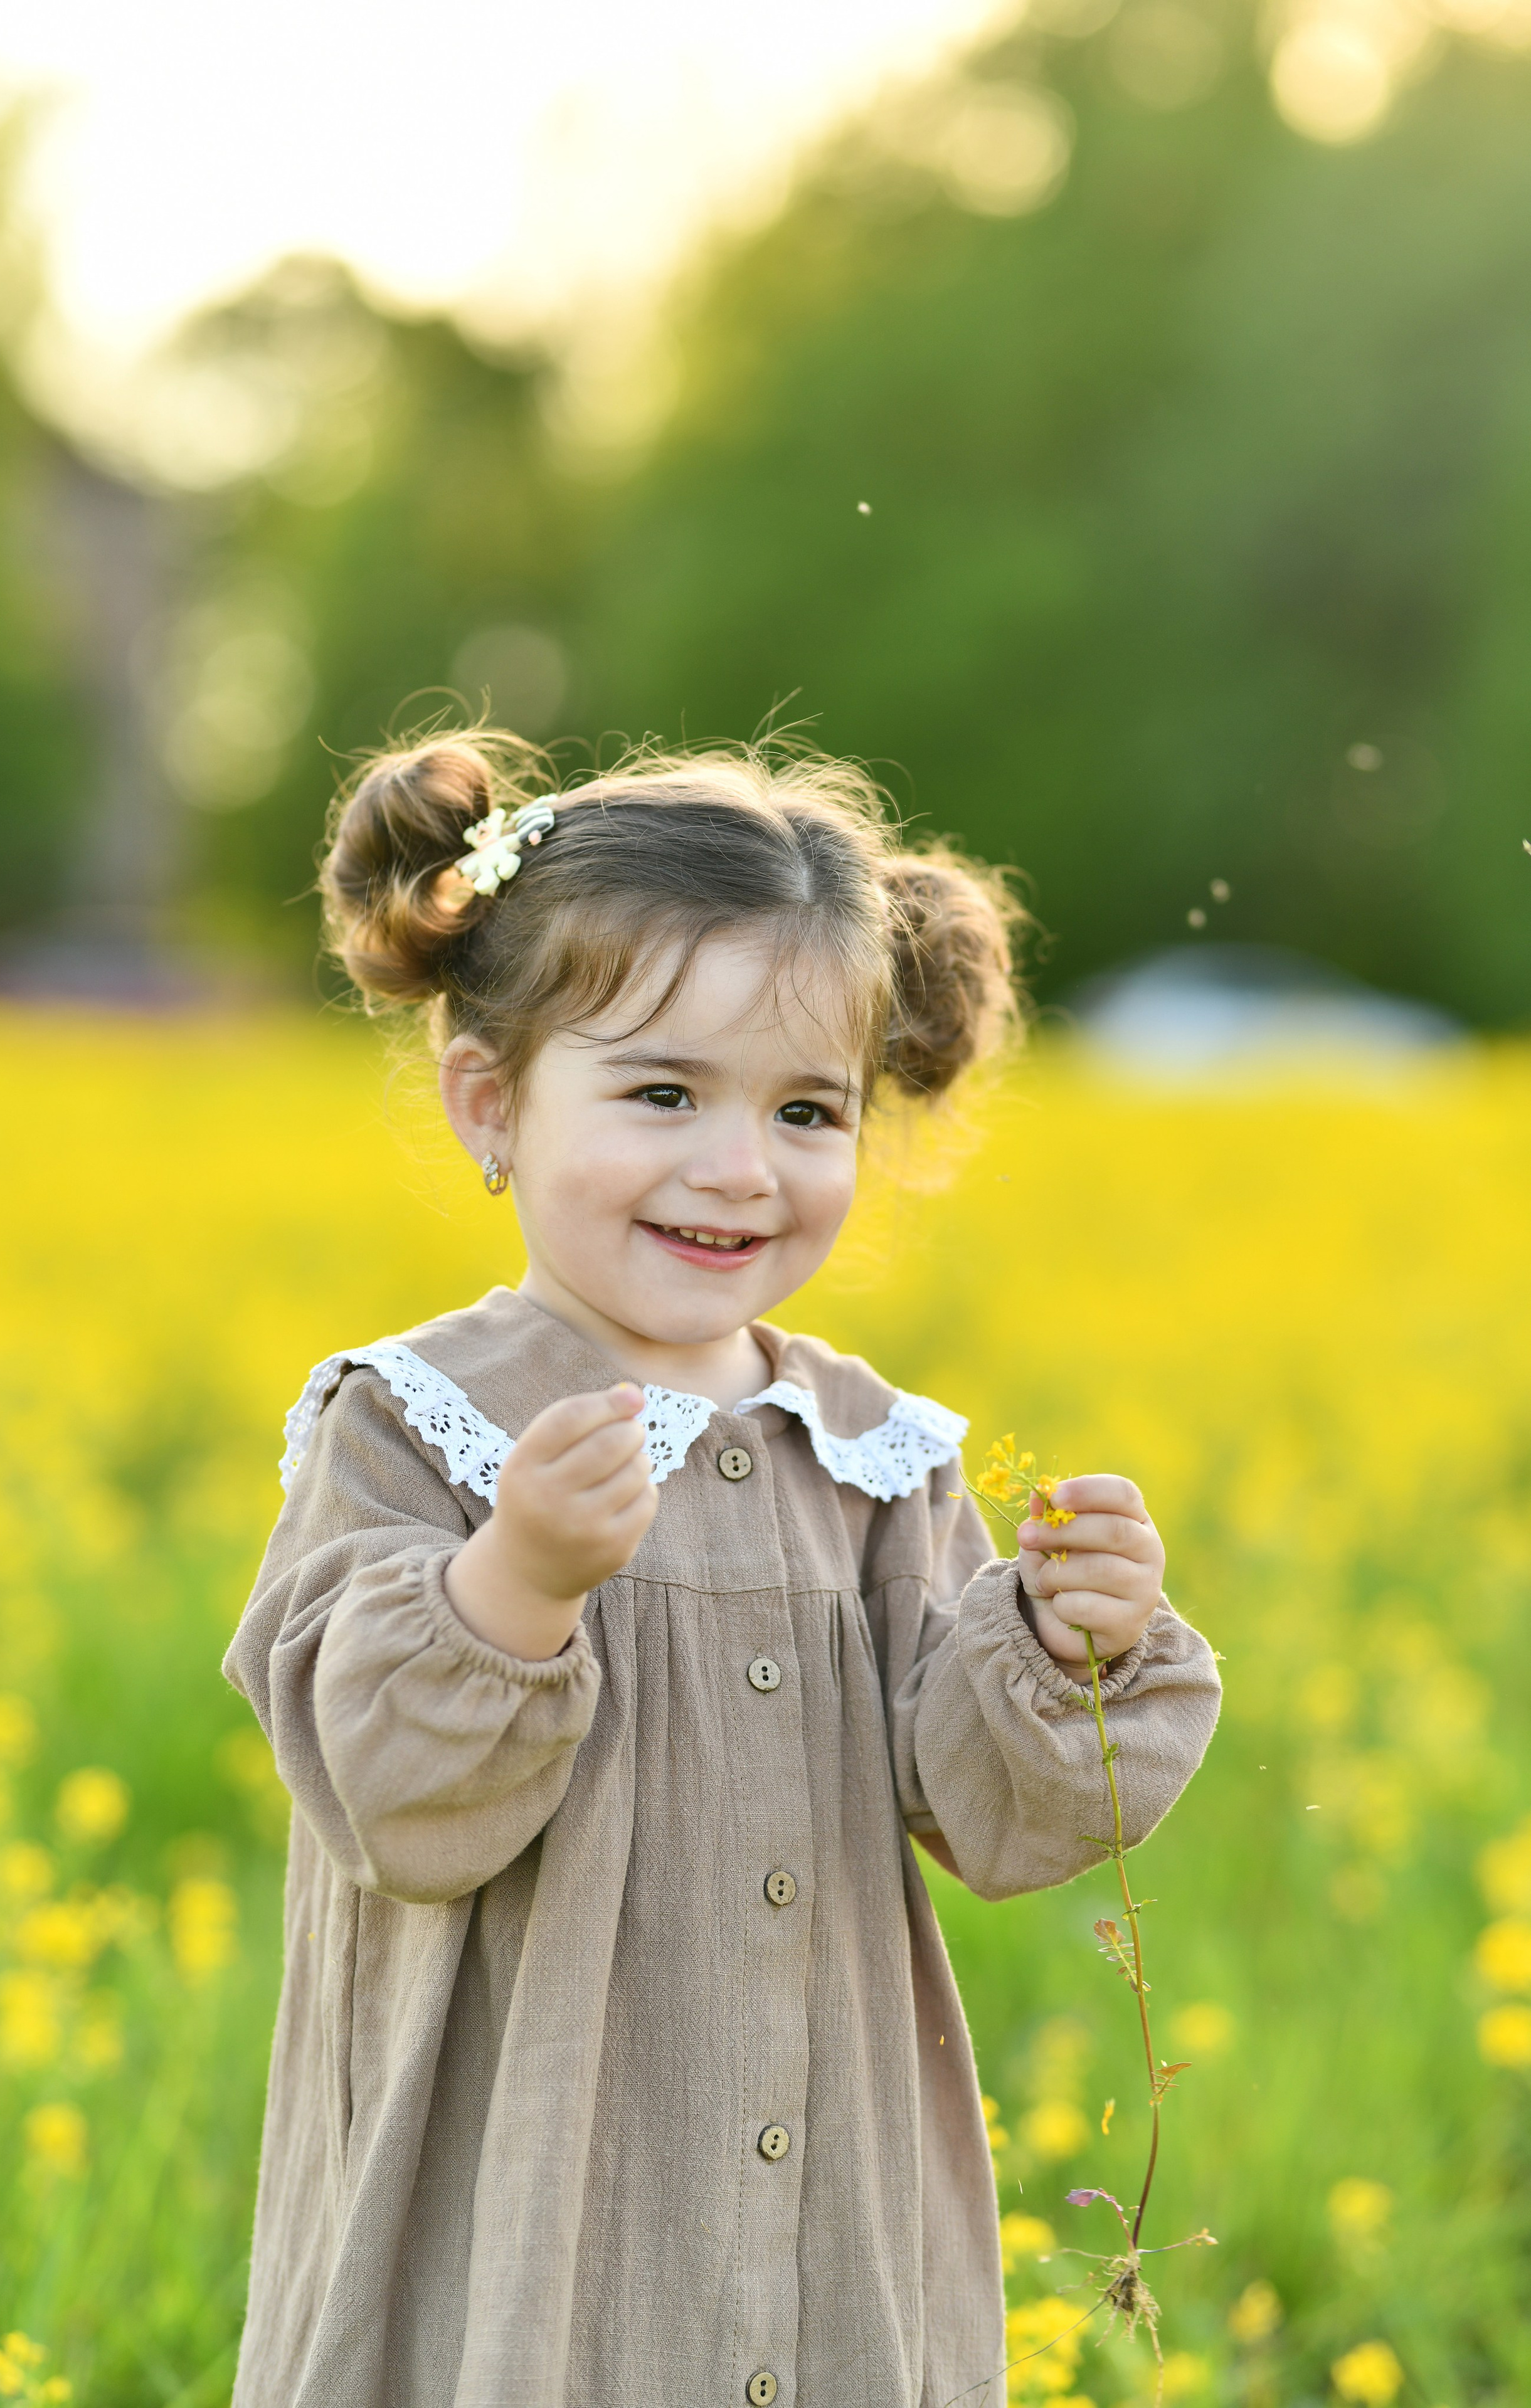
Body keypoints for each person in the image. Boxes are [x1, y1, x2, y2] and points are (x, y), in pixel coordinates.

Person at [224, 733, 1221, 2408]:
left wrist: (1074, 1641)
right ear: (492, 1100)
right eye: (664, 1092)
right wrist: (521, 1584)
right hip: (524, 2208)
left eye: (807, 1110)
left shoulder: (872, 1453)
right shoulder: (413, 1423)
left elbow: (995, 1819)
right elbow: (392, 1804)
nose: (742, 1167)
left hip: (824, 2188)